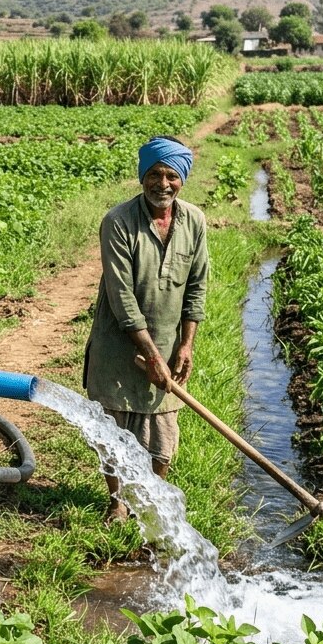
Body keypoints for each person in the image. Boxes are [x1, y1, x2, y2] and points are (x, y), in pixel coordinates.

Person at [83, 135, 208, 517]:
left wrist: (184, 346)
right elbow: (121, 297)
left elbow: (197, 286)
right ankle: (118, 503)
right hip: (118, 346)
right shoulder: (118, 222)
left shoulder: (194, 221)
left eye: (171, 176)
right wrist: (150, 355)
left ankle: (150, 501)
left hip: (168, 345)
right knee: (114, 428)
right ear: (142, 176)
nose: (163, 184)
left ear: (182, 179)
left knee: (161, 433)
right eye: (154, 174)